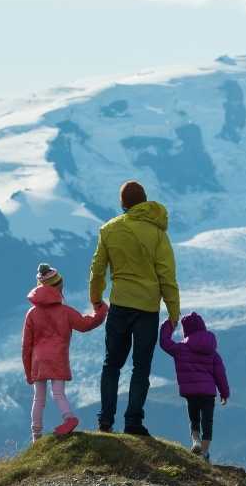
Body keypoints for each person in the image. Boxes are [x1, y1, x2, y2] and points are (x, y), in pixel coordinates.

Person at [89, 180, 181, 436]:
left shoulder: (109, 230)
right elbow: (167, 276)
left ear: (123, 203)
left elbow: (98, 270)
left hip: (119, 305)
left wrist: (96, 299)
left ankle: (105, 420)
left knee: (112, 364)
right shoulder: (157, 233)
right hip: (147, 310)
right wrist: (174, 313)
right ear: (145, 201)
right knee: (141, 368)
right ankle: (133, 422)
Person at [22, 263, 107, 442]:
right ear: (59, 287)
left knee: (38, 398)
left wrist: (28, 371)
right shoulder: (65, 311)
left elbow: (26, 346)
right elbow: (85, 324)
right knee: (59, 393)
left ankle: (36, 436)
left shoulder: (31, 314)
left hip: (38, 360)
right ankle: (69, 417)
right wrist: (101, 311)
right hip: (58, 358)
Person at [159, 312, 230, 461]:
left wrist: (170, 323)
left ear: (186, 331)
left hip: (191, 392)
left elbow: (164, 342)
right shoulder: (212, 352)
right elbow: (220, 374)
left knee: (194, 419)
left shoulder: (181, 348)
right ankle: (204, 452)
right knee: (207, 422)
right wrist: (224, 392)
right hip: (208, 393)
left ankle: (195, 440)